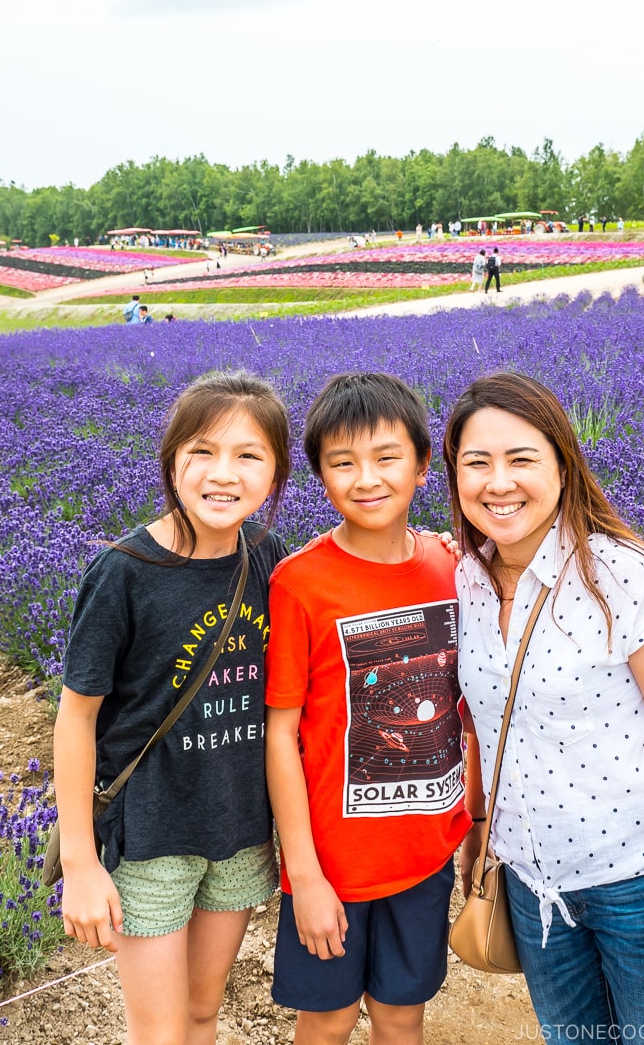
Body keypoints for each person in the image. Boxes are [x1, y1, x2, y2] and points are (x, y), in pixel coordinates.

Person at [443, 372, 644, 1041]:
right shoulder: (468, 579)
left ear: (563, 465)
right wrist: (481, 826)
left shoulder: (626, 576)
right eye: (477, 462)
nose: (498, 482)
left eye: (521, 460)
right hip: (530, 883)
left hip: (641, 880)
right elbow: (486, 722)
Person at [52, 369, 291, 1045]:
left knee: (201, 1015)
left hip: (240, 830)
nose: (224, 474)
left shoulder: (267, 555)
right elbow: (76, 719)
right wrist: (80, 862)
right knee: (157, 1033)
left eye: (249, 456)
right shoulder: (125, 572)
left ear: (274, 474)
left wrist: (432, 547)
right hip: (152, 839)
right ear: (172, 460)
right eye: (203, 452)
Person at [265, 372, 470, 1045]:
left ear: (420, 466)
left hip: (424, 853)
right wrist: (304, 875)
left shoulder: (453, 567)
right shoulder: (300, 583)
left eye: (387, 458)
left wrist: (475, 826)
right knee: (325, 1021)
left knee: (401, 1016)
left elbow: (468, 707)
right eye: (342, 463)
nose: (367, 478)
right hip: (333, 866)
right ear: (320, 477)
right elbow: (282, 734)